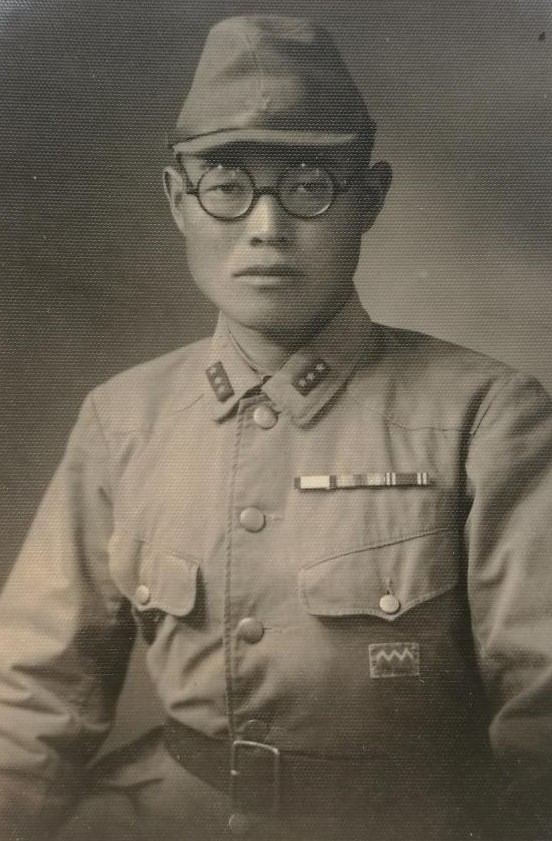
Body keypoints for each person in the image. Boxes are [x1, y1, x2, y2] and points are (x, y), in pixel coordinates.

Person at [0, 14, 551, 841]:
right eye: (226, 183)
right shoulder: (122, 420)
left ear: (369, 199)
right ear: (178, 203)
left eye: (308, 182)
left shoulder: (486, 416)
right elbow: (32, 700)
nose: (266, 226)